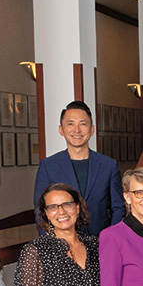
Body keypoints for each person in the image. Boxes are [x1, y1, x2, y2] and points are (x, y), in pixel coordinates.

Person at [33, 101, 123, 237]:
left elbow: (118, 208)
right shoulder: (48, 166)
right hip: (62, 245)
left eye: (83, 124)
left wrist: (112, 239)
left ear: (92, 130)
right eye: (70, 124)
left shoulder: (108, 165)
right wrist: (52, 244)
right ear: (61, 130)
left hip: (101, 242)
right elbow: (40, 210)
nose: (77, 130)